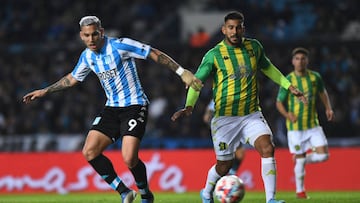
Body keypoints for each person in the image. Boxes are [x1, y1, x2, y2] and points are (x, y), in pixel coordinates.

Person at [23, 16, 203, 203]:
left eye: (94, 34)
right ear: (81, 36)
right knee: (89, 152)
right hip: (112, 108)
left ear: (101, 32)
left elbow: (153, 53)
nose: (91, 39)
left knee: (129, 158)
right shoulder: (87, 56)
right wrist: (45, 90)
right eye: (86, 36)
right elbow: (72, 78)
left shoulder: (120, 46)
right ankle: (124, 191)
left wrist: (182, 73)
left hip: (135, 105)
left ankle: (146, 194)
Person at [171, 11, 307, 203]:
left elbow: (267, 67)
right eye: (231, 28)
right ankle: (207, 191)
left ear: (243, 28)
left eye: (238, 27)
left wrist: (288, 85)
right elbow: (196, 82)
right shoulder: (214, 55)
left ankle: (271, 199)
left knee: (267, 148)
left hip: (251, 114)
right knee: (224, 166)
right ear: (224, 30)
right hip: (225, 118)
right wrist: (189, 106)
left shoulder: (254, 47)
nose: (234, 31)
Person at [276, 47, 334, 199]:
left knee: (323, 156)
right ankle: (300, 191)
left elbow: (323, 92)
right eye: (297, 59)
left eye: (303, 59)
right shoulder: (288, 80)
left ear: (307, 61)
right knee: (300, 161)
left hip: (313, 125)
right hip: (295, 129)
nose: (300, 61)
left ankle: (301, 159)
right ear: (292, 61)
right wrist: (287, 114)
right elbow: (279, 103)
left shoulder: (315, 77)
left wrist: (328, 108)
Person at [203, 100, 245, 175]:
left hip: (233, 128)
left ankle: (229, 175)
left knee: (239, 154)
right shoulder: (220, 94)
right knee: (227, 156)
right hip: (223, 128)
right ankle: (219, 179)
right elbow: (206, 117)